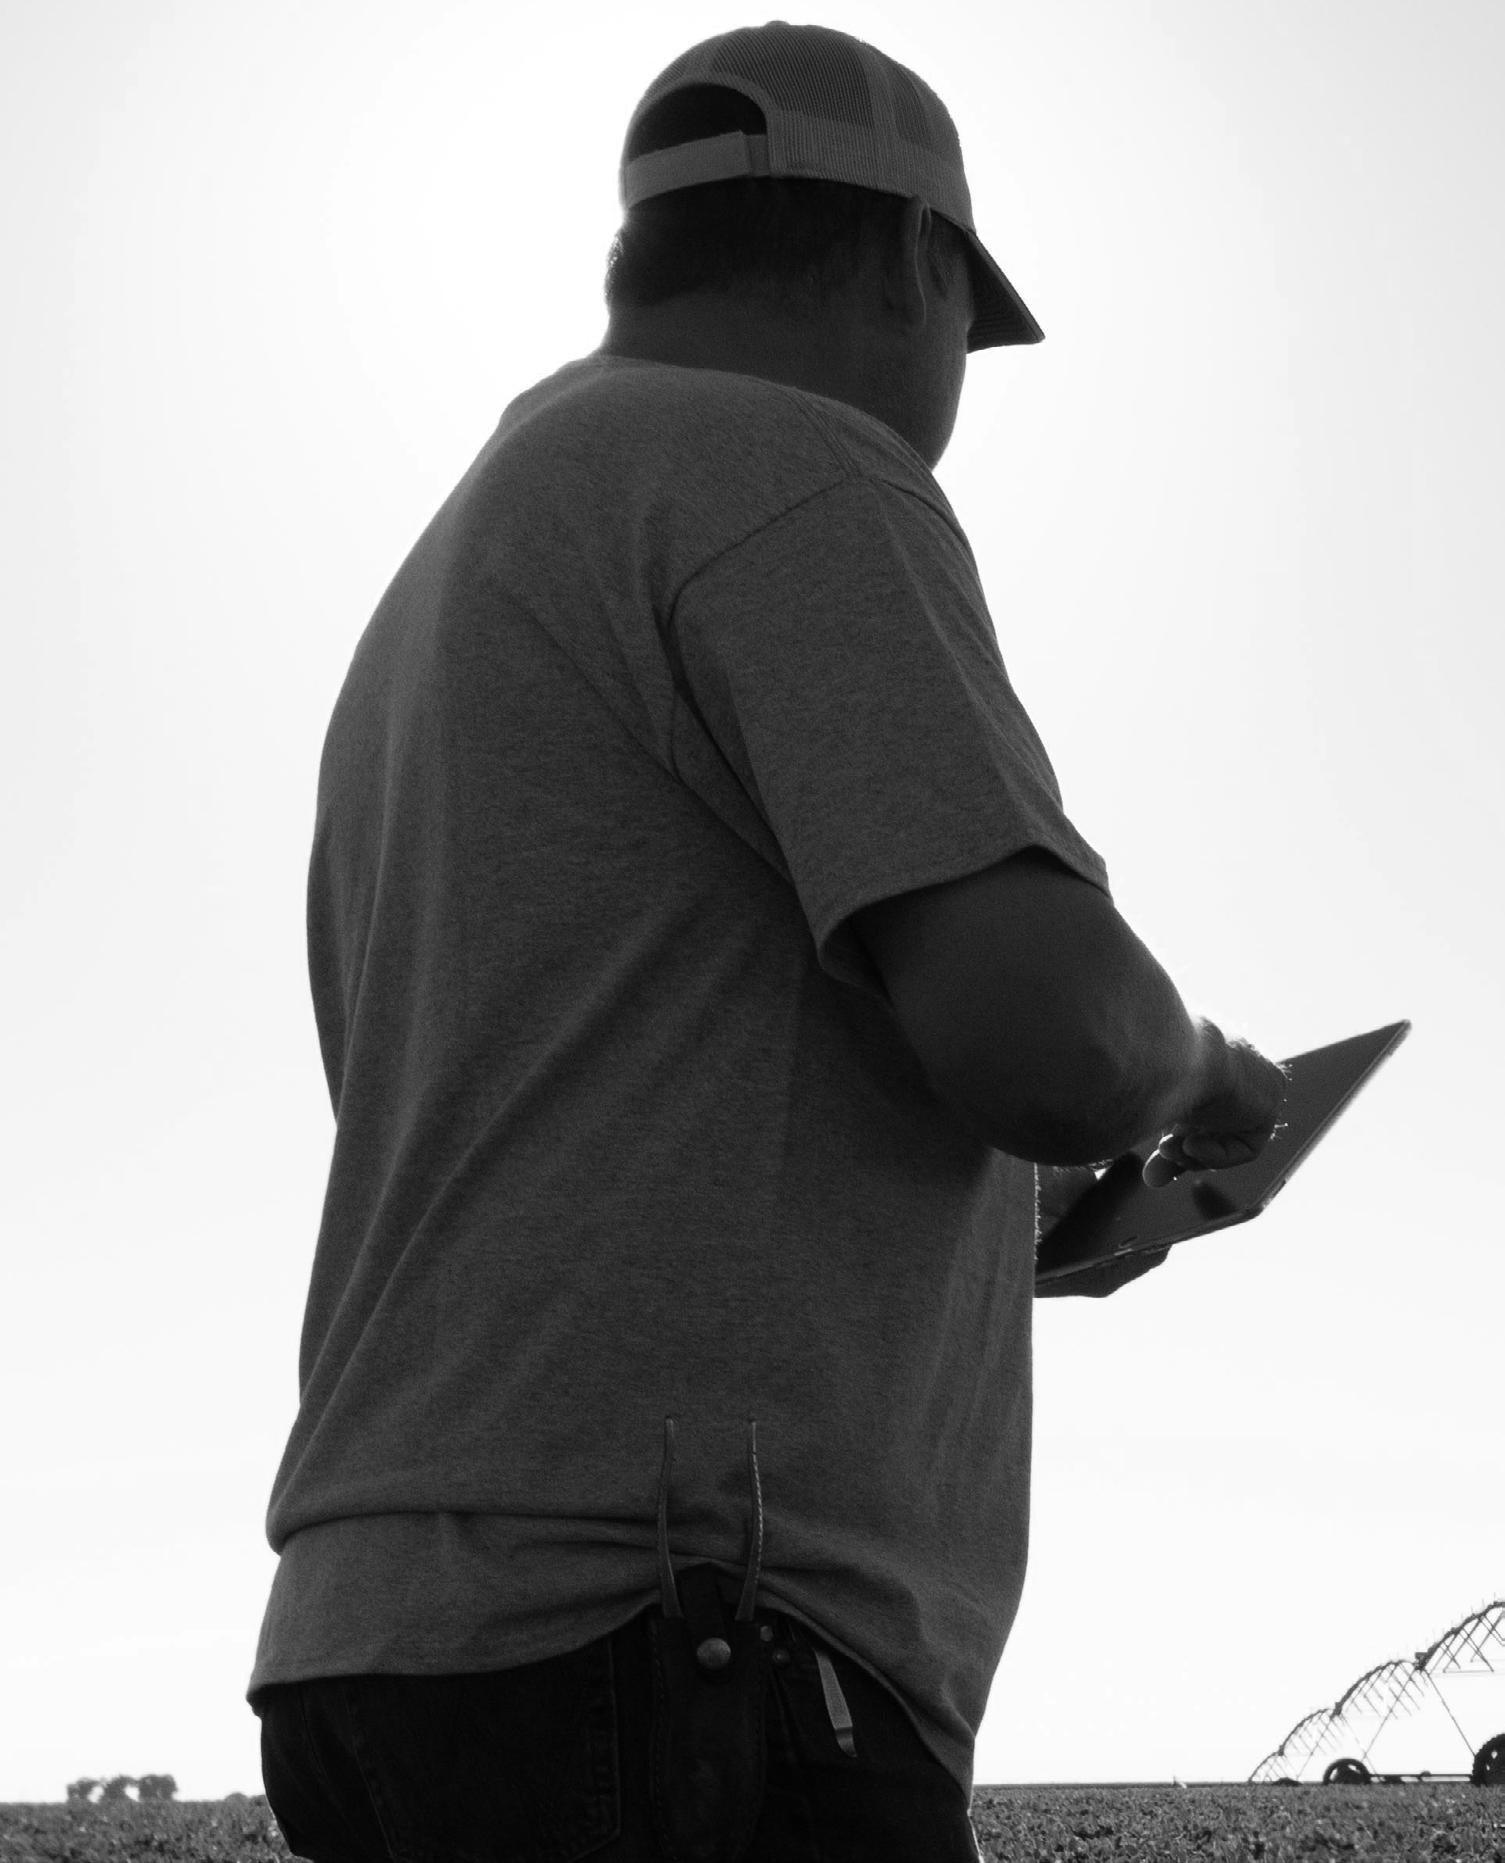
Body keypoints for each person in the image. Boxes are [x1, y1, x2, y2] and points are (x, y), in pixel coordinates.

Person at [248, 21, 1287, 1863]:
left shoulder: (467, 558)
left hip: (394, 1642)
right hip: (680, 1640)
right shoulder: (784, 464)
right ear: (910, 261)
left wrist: (999, 1240)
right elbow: (1057, 1043)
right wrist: (1201, 1073)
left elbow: (591, 1126)